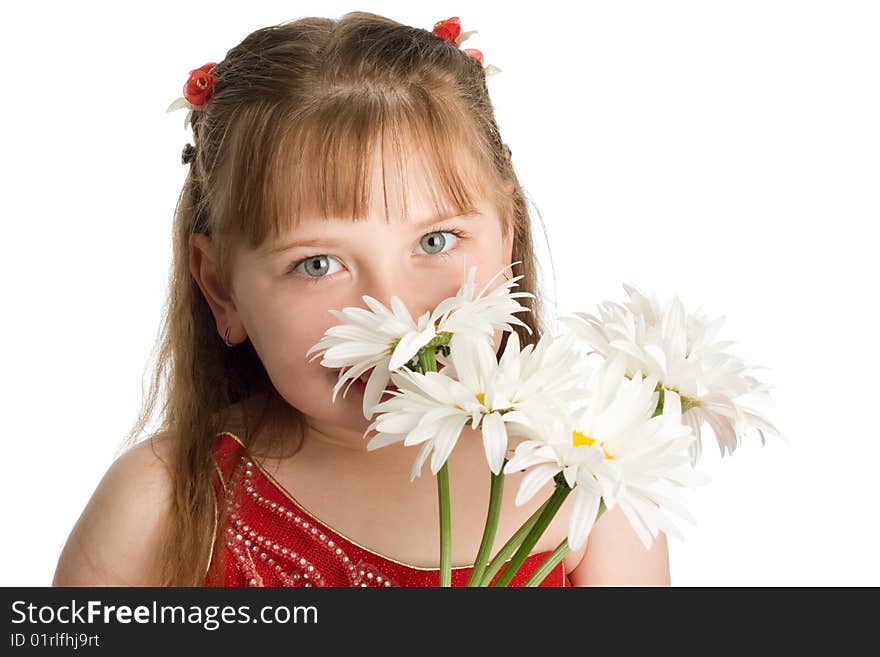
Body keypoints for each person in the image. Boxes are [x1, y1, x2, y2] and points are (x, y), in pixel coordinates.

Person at [52, 11, 671, 587]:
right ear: (220, 288)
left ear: (505, 237)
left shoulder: (593, 492)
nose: (395, 314)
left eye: (436, 239)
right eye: (317, 264)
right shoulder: (161, 502)